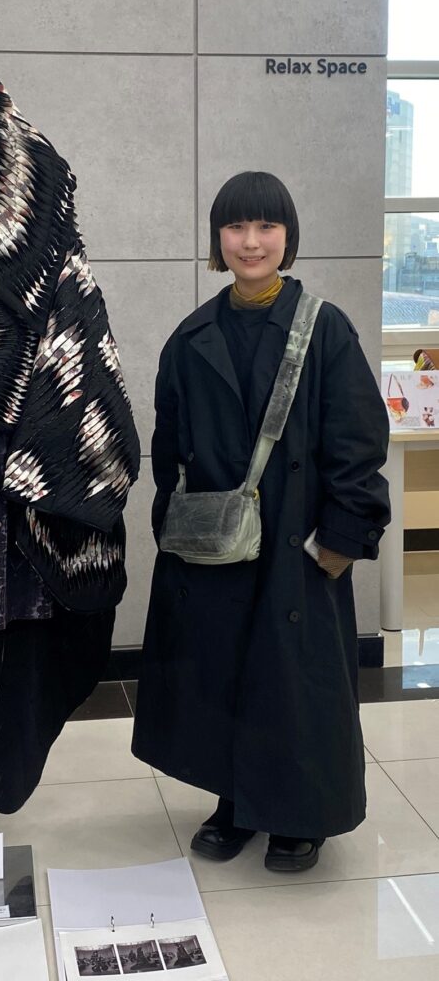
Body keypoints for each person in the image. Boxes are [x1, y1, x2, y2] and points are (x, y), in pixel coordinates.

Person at [132, 171, 390, 872]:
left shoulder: (324, 328)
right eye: (236, 227)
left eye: (266, 227)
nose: (251, 242)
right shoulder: (192, 336)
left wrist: (342, 539)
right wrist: (175, 530)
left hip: (299, 544)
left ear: (287, 237)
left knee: (296, 680)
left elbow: (359, 439)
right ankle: (235, 802)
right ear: (217, 239)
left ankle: (299, 815)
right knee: (223, 672)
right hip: (217, 546)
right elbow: (168, 447)